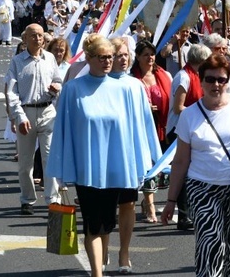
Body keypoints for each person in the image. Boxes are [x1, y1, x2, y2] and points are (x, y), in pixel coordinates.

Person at [46, 34, 160, 277]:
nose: (109, 62)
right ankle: (97, 273)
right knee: (93, 226)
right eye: (103, 58)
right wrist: (63, 172)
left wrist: (144, 161)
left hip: (116, 170)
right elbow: (63, 132)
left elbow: (135, 130)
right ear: (89, 59)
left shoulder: (124, 88)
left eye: (111, 57)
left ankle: (116, 257)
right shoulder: (73, 89)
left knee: (107, 223)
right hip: (87, 171)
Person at [161, 54, 230, 277]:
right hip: (203, 187)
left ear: (228, 81)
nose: (216, 85)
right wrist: (171, 200)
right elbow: (180, 161)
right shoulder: (189, 115)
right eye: (210, 79)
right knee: (211, 243)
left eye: (221, 80)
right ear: (201, 80)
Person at [108, 35, 160, 274]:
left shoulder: (135, 85)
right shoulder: (95, 83)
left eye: (125, 55)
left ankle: (124, 252)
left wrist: (152, 154)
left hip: (128, 154)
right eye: (118, 55)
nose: (122, 59)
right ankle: (104, 246)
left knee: (127, 202)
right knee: (106, 206)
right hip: (105, 155)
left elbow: (146, 122)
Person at [4, 23, 62, 214]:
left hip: (47, 112)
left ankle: (53, 199)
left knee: (49, 158)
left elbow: (58, 80)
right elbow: (11, 92)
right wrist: (18, 117)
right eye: (33, 36)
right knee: (26, 162)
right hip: (26, 113)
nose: (38, 39)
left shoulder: (50, 58)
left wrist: (57, 88)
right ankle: (27, 199)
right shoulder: (18, 62)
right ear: (25, 39)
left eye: (40, 35)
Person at [166, 43, 212, 230]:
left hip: (194, 129)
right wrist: (202, 112)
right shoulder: (184, 77)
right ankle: (184, 215)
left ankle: (192, 212)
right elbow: (179, 107)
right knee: (184, 174)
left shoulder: (199, 77)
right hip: (179, 129)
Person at [131, 40, 173, 223]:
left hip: (161, 127)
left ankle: (148, 202)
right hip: (140, 128)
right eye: (145, 54)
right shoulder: (131, 78)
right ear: (138, 57)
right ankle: (150, 206)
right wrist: (143, 106)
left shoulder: (164, 75)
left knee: (157, 167)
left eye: (152, 53)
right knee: (147, 166)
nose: (150, 57)